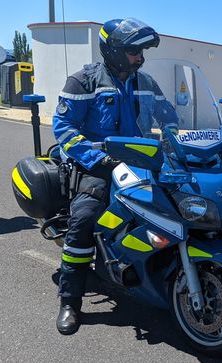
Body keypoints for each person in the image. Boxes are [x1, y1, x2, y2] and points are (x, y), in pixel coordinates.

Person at [53, 18, 178, 334]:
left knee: (179, 205)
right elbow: (64, 130)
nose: (139, 57)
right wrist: (98, 159)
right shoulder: (83, 82)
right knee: (84, 218)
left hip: (142, 163)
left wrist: (177, 141)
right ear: (112, 50)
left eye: (141, 51)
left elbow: (170, 120)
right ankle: (70, 300)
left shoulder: (146, 82)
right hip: (97, 167)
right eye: (133, 51)